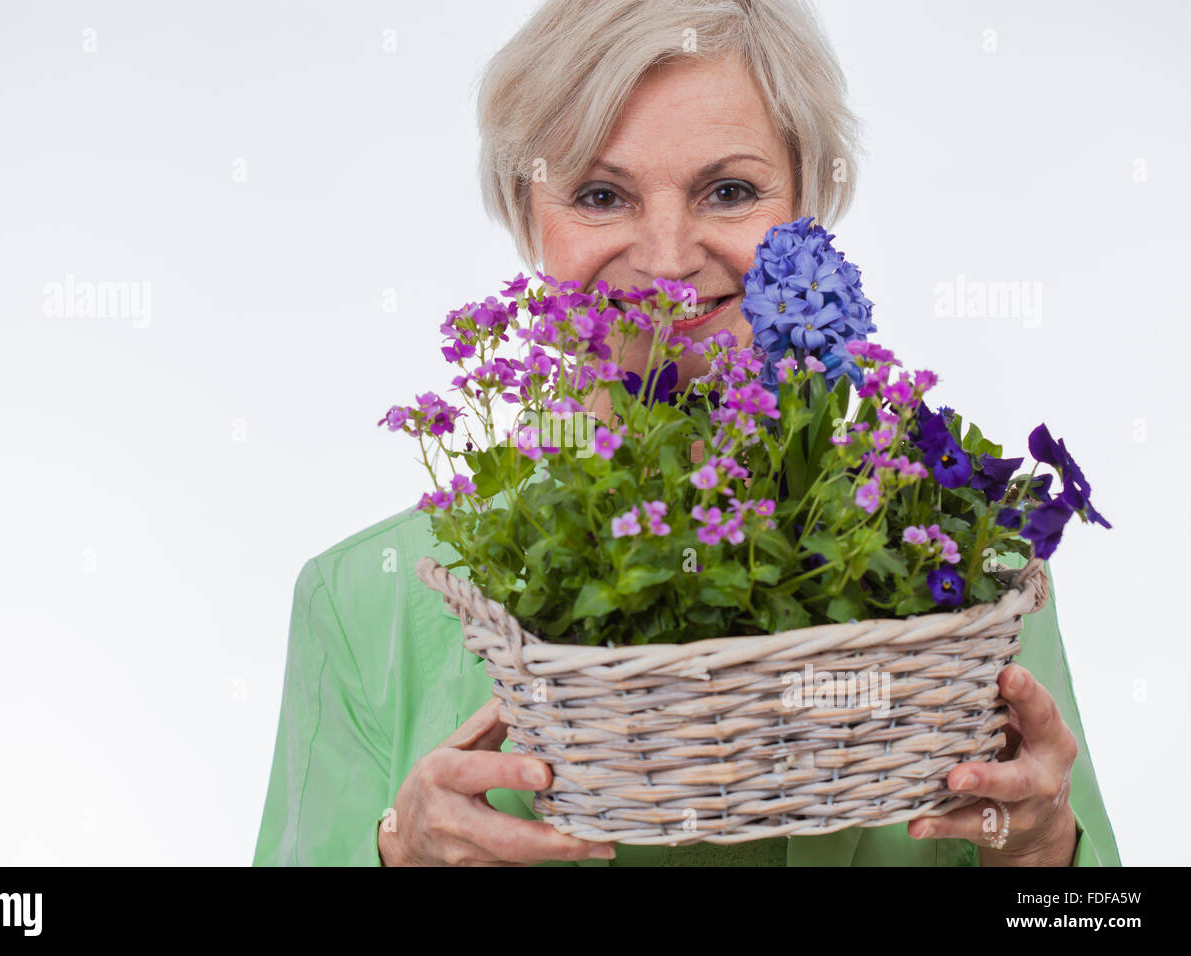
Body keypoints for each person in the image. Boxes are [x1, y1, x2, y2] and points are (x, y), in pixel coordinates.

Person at [253, 0, 1120, 866]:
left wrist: (1043, 853)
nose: (667, 259)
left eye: (730, 190)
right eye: (600, 195)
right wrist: (397, 851)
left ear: (808, 206)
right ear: (527, 220)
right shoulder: (366, 600)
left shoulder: (967, 575)